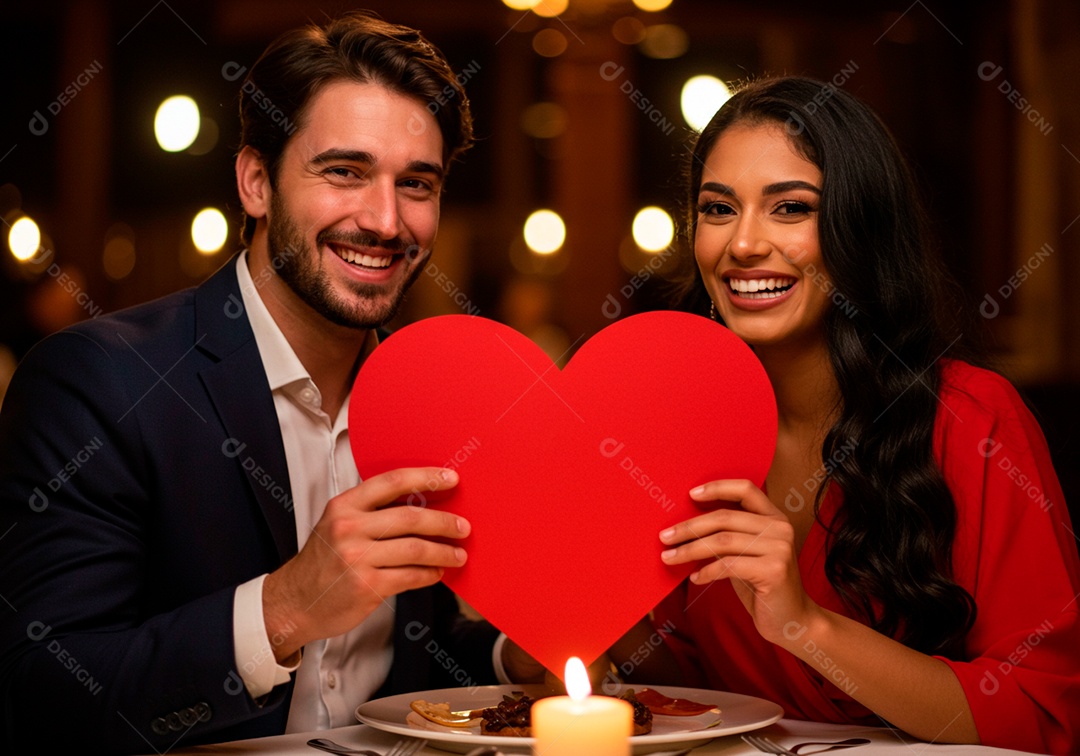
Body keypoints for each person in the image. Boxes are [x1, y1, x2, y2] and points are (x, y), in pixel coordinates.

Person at [0, 12, 534, 753]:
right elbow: (41, 694)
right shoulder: (102, 382)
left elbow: (415, 656)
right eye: (344, 171)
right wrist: (283, 609)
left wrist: (517, 661)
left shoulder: (431, 399)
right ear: (256, 182)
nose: (385, 220)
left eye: (416, 183)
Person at [614, 76, 1080, 753]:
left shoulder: (973, 421)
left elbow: (1044, 717)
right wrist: (559, 605)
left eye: (790, 208)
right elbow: (691, 685)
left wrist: (804, 624)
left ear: (860, 228)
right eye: (718, 209)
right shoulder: (677, 428)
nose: (742, 244)